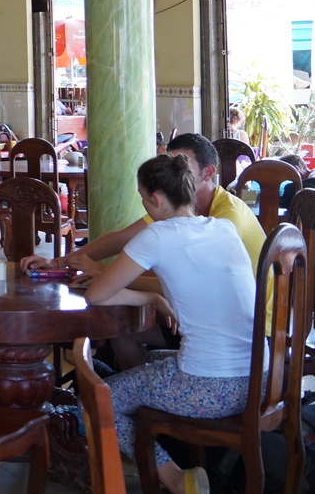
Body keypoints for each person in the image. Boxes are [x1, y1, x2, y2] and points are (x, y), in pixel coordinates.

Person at [83, 154, 255, 494]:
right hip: (257, 380)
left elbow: (97, 294)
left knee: (97, 398)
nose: (145, 205)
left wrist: (151, 297)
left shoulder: (158, 235)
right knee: (153, 362)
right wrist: (157, 297)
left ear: (157, 199)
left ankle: (178, 480)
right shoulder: (223, 228)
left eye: (144, 198)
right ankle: (168, 457)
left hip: (209, 388)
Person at [21, 132, 266, 369]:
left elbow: (186, 283)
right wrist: (58, 262)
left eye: (180, 165)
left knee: (103, 383)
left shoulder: (225, 217)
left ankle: (142, 390)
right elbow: (120, 239)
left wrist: (106, 273)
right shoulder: (188, 215)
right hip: (249, 359)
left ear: (207, 173)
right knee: (125, 335)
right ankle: (143, 385)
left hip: (256, 329)